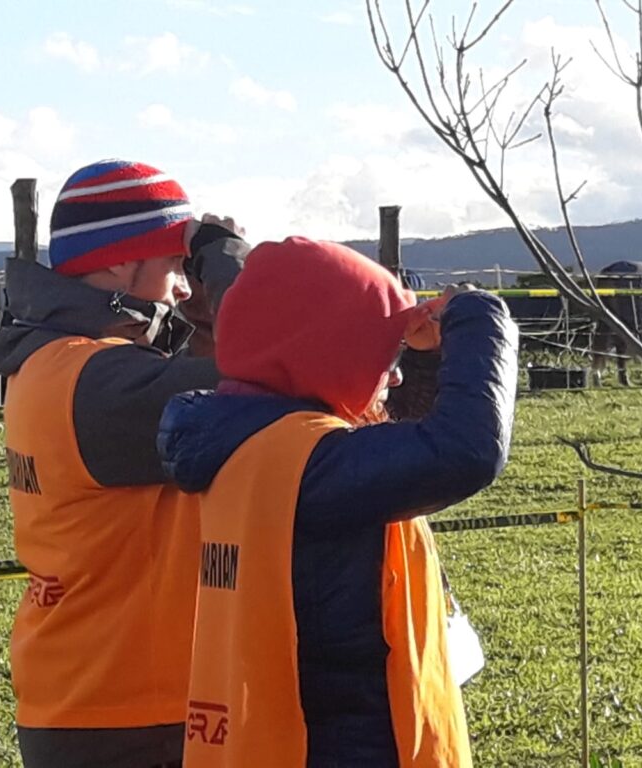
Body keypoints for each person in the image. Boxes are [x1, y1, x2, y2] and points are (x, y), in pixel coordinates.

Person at [158, 238, 519, 767]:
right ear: (326, 356)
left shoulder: (247, 446)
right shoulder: (309, 467)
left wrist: (404, 339)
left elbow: (402, 428)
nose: (393, 375)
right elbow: (465, 448)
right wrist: (479, 316)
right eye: (381, 358)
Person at [0, 159, 249, 768]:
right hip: (132, 710)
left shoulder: (56, 361)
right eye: (178, 265)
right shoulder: (100, 380)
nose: (186, 288)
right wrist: (229, 261)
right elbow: (273, 372)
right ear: (120, 262)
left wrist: (204, 316)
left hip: (90, 694)